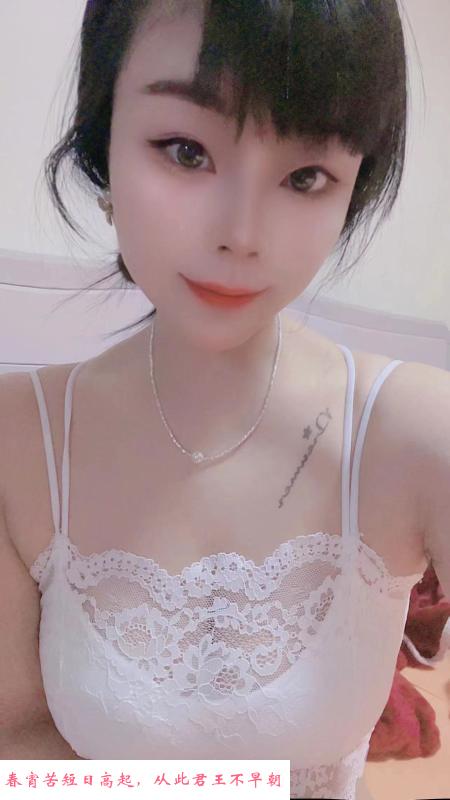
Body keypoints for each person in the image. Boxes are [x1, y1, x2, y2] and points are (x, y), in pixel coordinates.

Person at [1, 2, 449, 799]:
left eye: (305, 177)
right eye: (186, 150)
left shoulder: (415, 429)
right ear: (103, 141)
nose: (242, 234)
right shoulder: (19, 438)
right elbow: (20, 737)